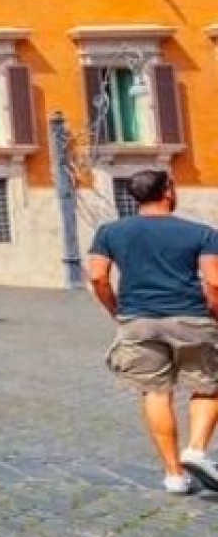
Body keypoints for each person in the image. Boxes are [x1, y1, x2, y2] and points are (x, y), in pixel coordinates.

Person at [85, 168, 218, 495]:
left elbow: (98, 277)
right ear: (168, 191)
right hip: (191, 318)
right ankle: (196, 450)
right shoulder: (202, 233)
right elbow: (214, 282)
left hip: (138, 319)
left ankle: (174, 475)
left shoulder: (109, 232)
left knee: (155, 392)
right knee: (209, 386)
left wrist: (118, 311)